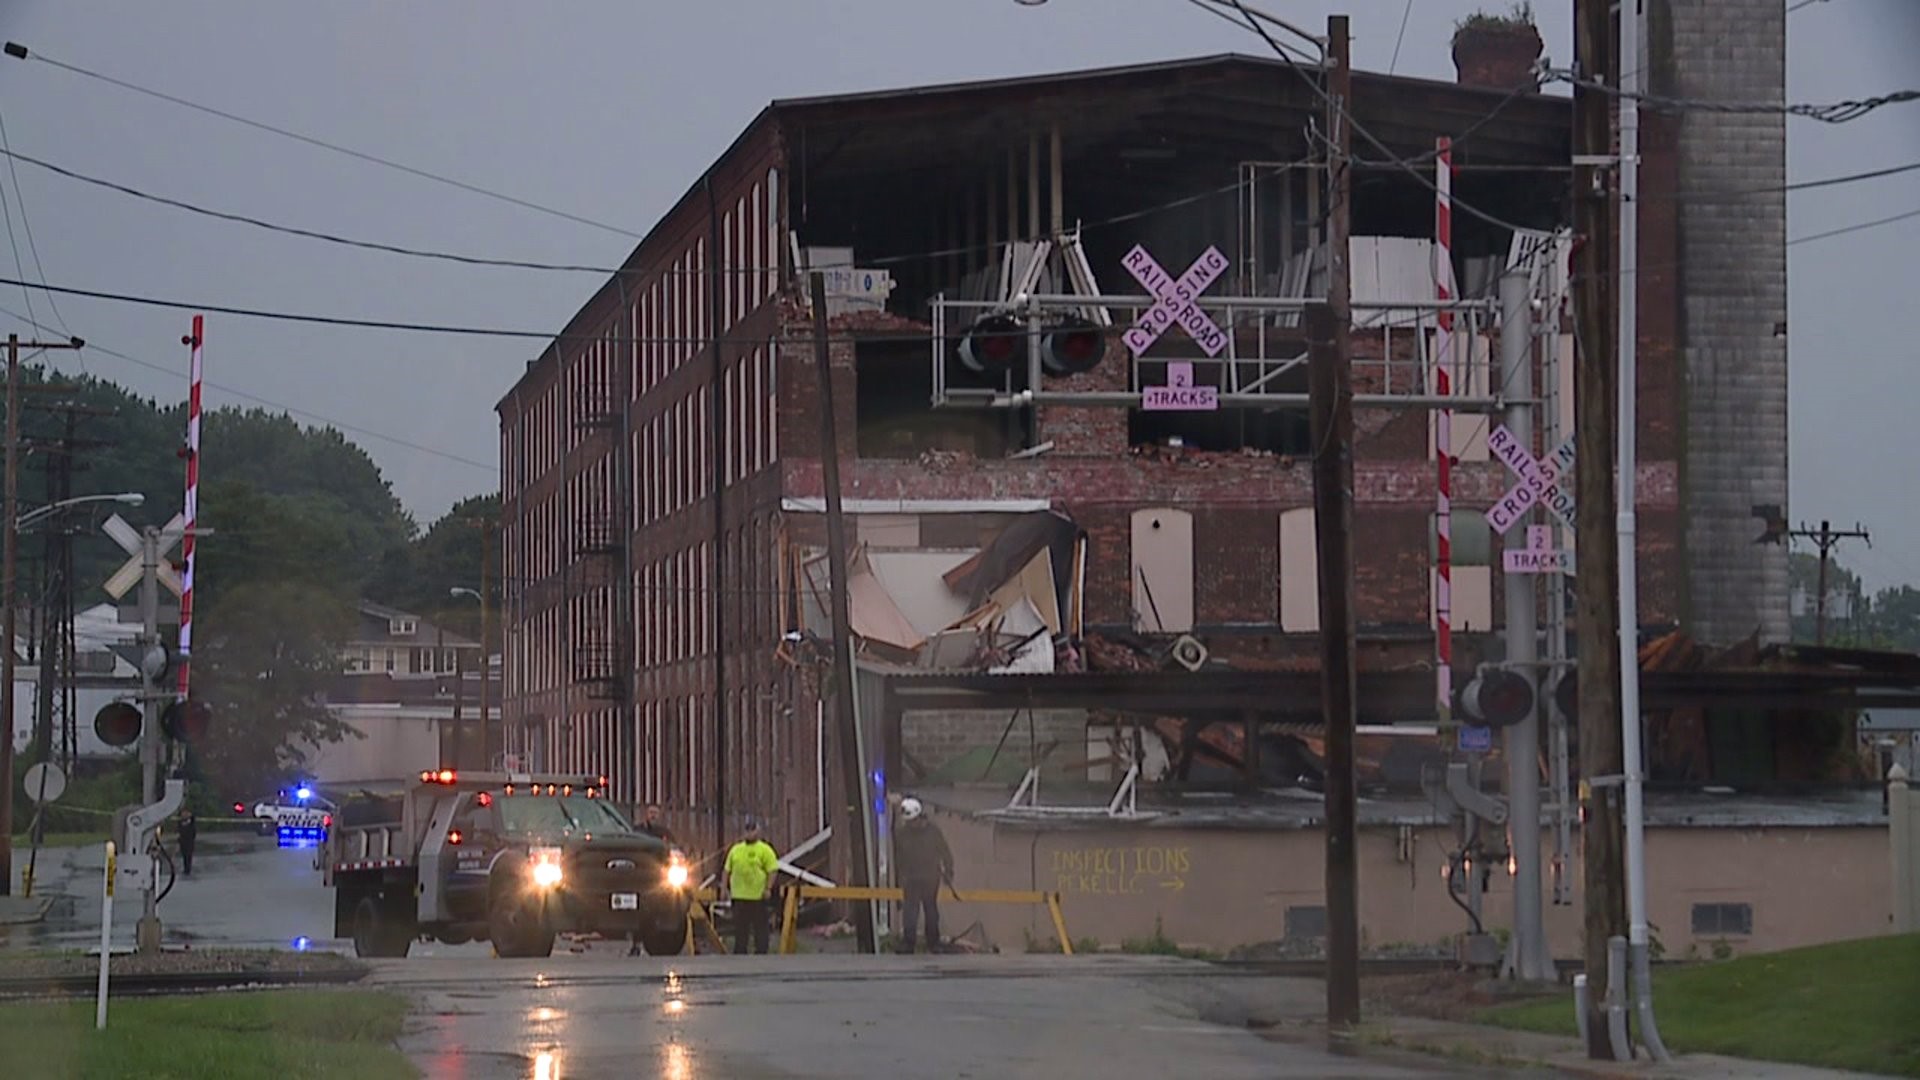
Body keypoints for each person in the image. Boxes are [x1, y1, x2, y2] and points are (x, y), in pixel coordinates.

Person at [893, 797, 953, 955]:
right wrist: (899, 878)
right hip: (911, 878)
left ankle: (933, 943)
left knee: (930, 909)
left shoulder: (933, 832)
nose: (910, 824)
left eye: (912, 821)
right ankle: (908, 943)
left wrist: (948, 871)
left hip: (930, 877)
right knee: (910, 911)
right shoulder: (902, 834)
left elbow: (945, 852)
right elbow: (899, 858)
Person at [724, 819, 779, 955]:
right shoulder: (735, 850)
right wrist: (724, 888)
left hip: (758, 897)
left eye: (752, 830)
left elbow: (772, 870)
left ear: (758, 832)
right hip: (739, 897)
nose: (749, 833)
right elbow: (726, 870)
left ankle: (761, 952)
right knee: (740, 928)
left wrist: (768, 889)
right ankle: (740, 952)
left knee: (760, 928)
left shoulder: (765, 850)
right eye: (747, 830)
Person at [177, 810, 198, 877]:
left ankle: (188, 869)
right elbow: (180, 831)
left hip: (189, 842)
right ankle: (186, 869)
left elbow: (193, 819)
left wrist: (190, 815)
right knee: (184, 856)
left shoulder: (191, 823)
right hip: (183, 842)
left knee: (189, 856)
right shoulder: (181, 823)